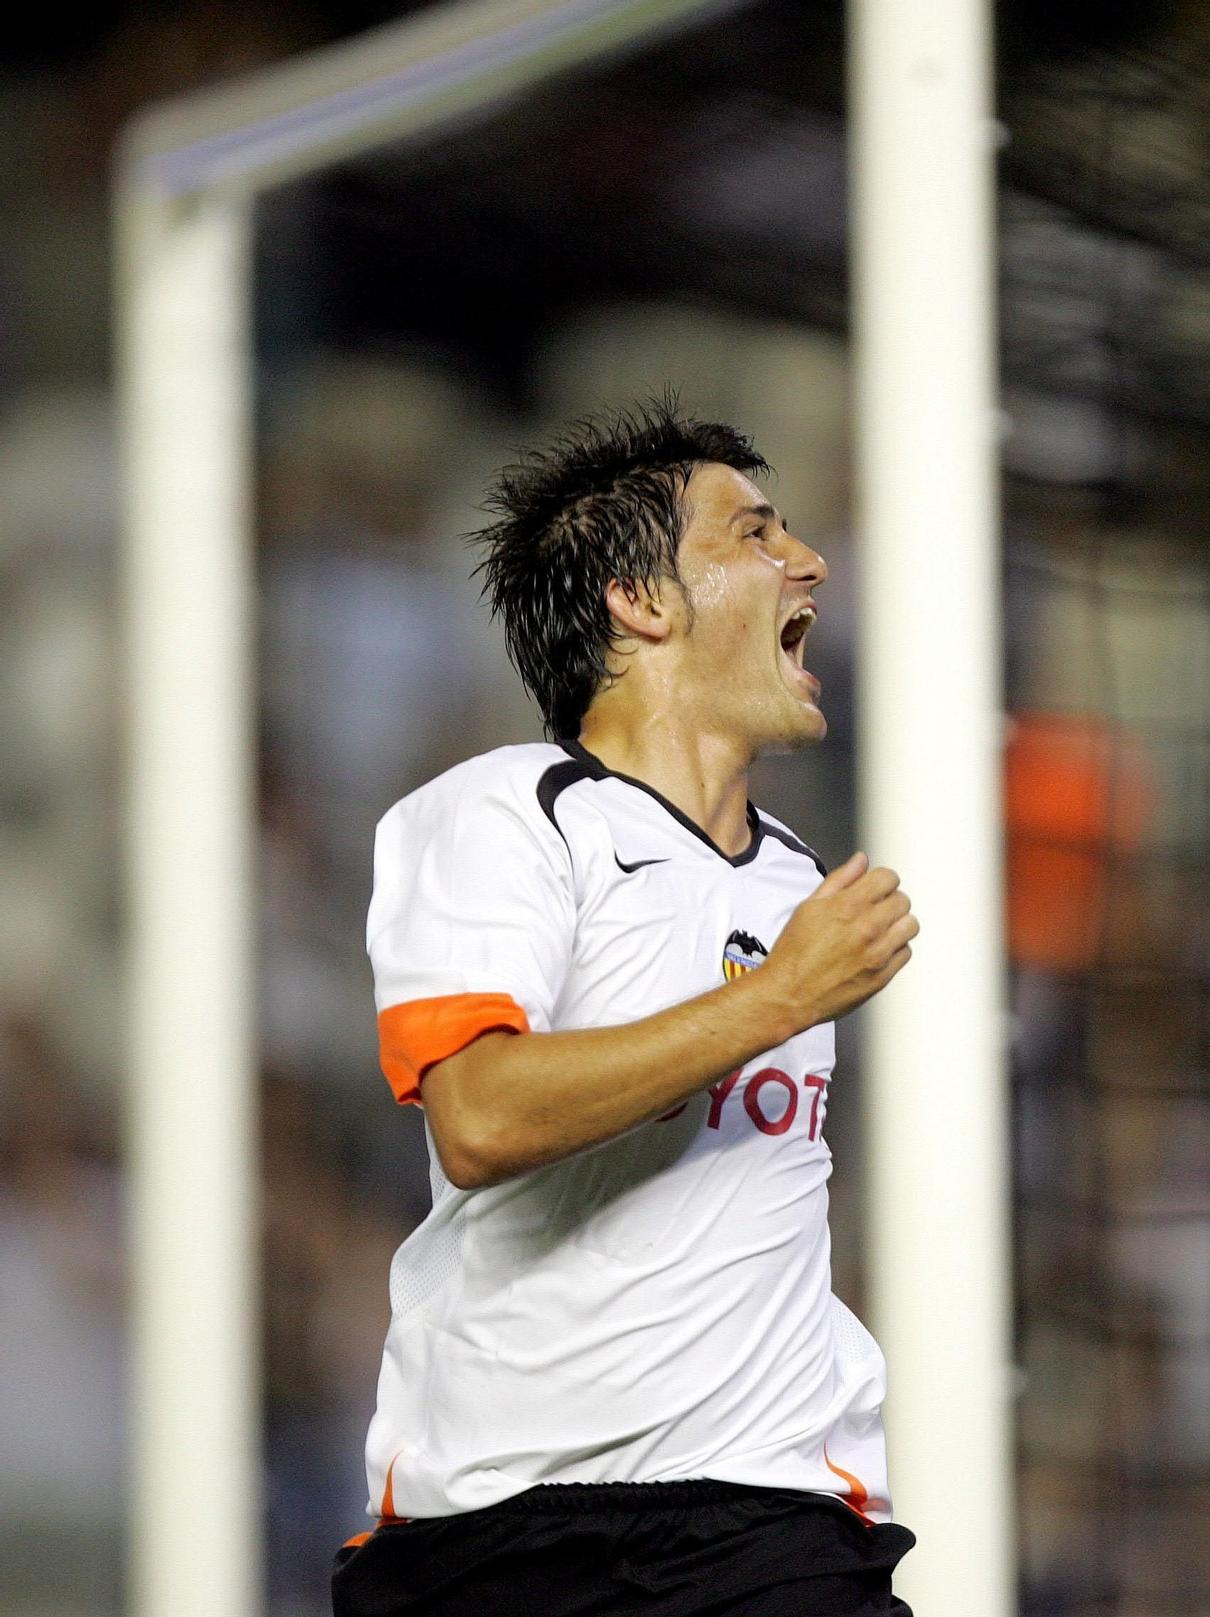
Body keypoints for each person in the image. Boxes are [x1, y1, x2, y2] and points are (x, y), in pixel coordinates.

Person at [331, 401, 921, 1617]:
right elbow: (478, 1117)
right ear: (640, 602)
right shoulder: (508, 813)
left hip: (772, 1515)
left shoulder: (792, 875)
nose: (806, 561)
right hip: (514, 1529)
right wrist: (776, 999)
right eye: (755, 533)